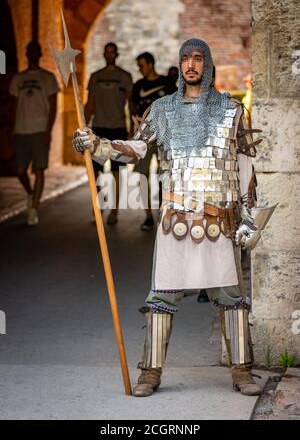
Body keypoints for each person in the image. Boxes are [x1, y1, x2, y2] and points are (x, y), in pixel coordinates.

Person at [72, 38, 263, 398]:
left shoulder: (230, 110)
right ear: (180, 64)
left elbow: (245, 167)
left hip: (218, 222)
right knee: (161, 299)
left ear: (207, 65)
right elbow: (136, 148)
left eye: (198, 58)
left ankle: (241, 371)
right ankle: (150, 373)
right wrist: (97, 143)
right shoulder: (162, 109)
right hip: (176, 220)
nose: (191, 64)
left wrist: (249, 218)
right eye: (186, 58)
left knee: (232, 298)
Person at [9, 41, 59, 225]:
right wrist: (12, 130)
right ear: (26, 53)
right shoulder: (18, 79)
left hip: (40, 130)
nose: (32, 53)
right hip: (21, 130)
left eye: (35, 51)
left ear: (39, 53)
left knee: (39, 169)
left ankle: (34, 209)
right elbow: (14, 106)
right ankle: (30, 194)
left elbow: (54, 106)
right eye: (29, 50)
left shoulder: (48, 77)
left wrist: (48, 129)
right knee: (19, 169)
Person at [85, 42, 133, 225]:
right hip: (99, 128)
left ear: (117, 54)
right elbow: (90, 103)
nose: (110, 54)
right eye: (107, 52)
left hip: (118, 128)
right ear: (104, 54)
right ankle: (98, 207)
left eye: (113, 52)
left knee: (116, 173)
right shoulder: (95, 77)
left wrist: (130, 130)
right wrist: (85, 125)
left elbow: (131, 104)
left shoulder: (125, 77)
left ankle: (114, 212)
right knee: (95, 172)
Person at [131, 52, 176, 230]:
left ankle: (162, 211)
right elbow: (134, 111)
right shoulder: (138, 86)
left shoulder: (167, 83)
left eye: (141, 65)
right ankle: (148, 215)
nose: (139, 68)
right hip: (144, 135)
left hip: (165, 134)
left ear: (150, 64)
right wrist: (132, 134)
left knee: (163, 174)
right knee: (141, 175)